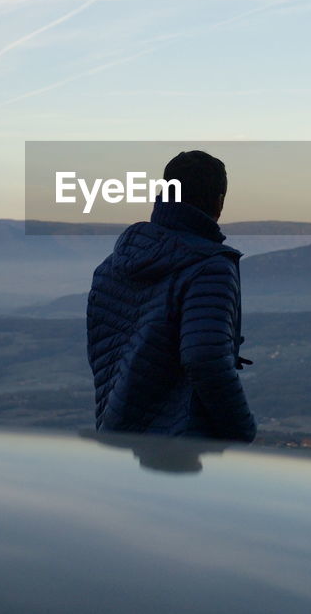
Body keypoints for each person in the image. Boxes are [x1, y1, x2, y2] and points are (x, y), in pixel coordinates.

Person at [86, 150, 255, 442]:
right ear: (219, 201)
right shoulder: (209, 267)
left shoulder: (110, 267)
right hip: (182, 447)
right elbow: (205, 358)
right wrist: (242, 430)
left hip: (118, 435)